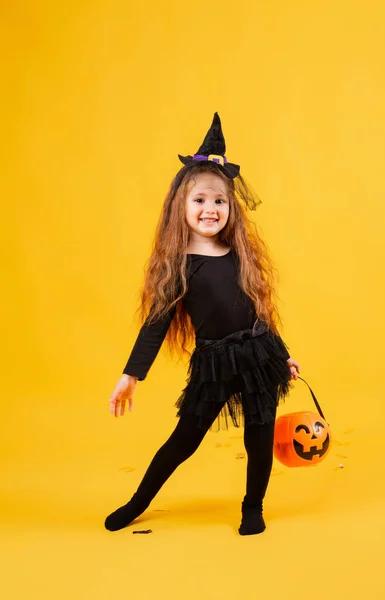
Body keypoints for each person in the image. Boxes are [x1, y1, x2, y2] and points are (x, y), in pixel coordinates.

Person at [105, 113, 301, 536]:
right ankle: (138, 501)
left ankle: (253, 507)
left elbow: (259, 314)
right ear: (181, 206)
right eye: (200, 201)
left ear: (231, 208)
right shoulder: (178, 266)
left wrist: (284, 356)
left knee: (259, 434)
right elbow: (156, 323)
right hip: (214, 361)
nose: (210, 209)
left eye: (219, 202)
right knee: (185, 439)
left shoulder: (240, 256)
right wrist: (131, 375)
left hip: (257, 355)